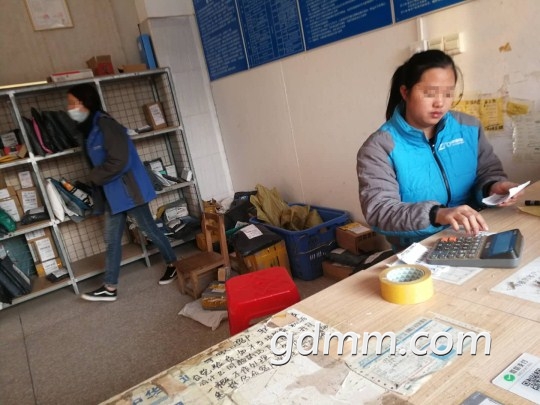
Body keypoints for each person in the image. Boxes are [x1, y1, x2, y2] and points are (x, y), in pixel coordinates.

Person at [356, 50, 523, 252]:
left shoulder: (468, 128)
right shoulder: (378, 148)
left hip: (475, 233)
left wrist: (493, 187)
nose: (440, 103)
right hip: (419, 248)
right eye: (429, 93)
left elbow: (487, 172)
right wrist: (437, 214)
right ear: (405, 92)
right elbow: (380, 211)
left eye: (448, 93)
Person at [66, 83, 178, 302]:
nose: (69, 108)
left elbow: (121, 161)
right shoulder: (90, 129)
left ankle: (173, 264)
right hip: (112, 194)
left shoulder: (106, 125)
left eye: (72, 103)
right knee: (112, 240)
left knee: (150, 230)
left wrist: (94, 176)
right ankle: (110, 287)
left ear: (84, 102)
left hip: (129, 191)